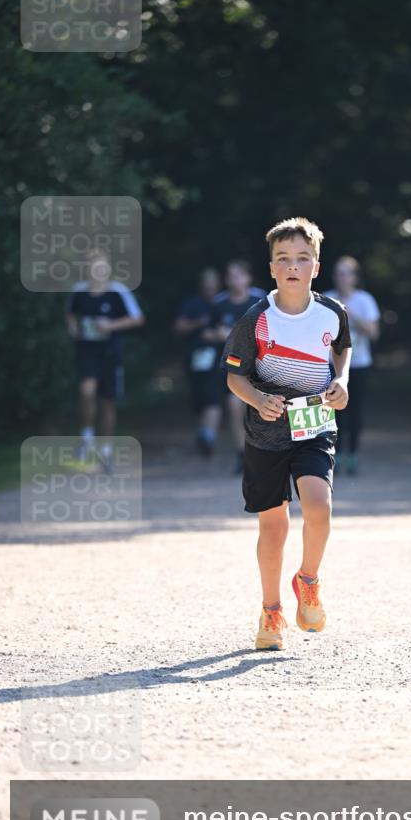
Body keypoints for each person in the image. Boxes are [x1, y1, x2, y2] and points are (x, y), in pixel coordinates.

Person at [221, 217, 351, 651]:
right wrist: (258, 399)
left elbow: (341, 347)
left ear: (316, 265)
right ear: (271, 267)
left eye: (302, 258)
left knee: (319, 504)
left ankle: (308, 579)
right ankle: (271, 610)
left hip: (314, 425)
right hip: (266, 433)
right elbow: (234, 379)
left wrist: (342, 380)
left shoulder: (332, 312)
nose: (293, 266)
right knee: (273, 527)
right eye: (284, 259)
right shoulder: (256, 319)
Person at [65, 247, 144, 472]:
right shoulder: (78, 292)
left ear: (108, 269)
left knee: (107, 401)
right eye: (93, 267)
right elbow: (70, 315)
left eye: (101, 267)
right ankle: (87, 437)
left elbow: (137, 319)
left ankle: (106, 450)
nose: (97, 271)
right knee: (86, 391)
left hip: (111, 354)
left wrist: (110, 325)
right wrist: (73, 329)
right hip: (87, 352)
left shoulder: (118, 292)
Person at [325, 255, 380, 474]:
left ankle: (353, 454)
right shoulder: (326, 299)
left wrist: (351, 316)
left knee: (355, 411)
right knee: (333, 411)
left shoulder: (365, 300)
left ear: (355, 277)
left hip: (359, 364)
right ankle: (335, 454)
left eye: (346, 273)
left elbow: (374, 333)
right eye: (338, 273)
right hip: (331, 364)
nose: (342, 277)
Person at [211, 260, 265, 474]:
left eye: (238, 275)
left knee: (264, 409)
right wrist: (219, 336)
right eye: (230, 276)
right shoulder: (219, 303)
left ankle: (264, 453)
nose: (235, 280)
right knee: (234, 406)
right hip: (236, 368)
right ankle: (241, 455)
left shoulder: (261, 300)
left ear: (247, 278)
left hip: (263, 366)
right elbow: (206, 332)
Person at [173, 267, 224, 456]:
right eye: (206, 286)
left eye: (213, 286)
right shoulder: (192, 304)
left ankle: (208, 436)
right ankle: (204, 432)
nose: (210, 290)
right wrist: (199, 324)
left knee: (213, 397)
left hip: (218, 359)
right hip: (195, 358)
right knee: (201, 398)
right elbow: (179, 326)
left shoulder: (222, 303)